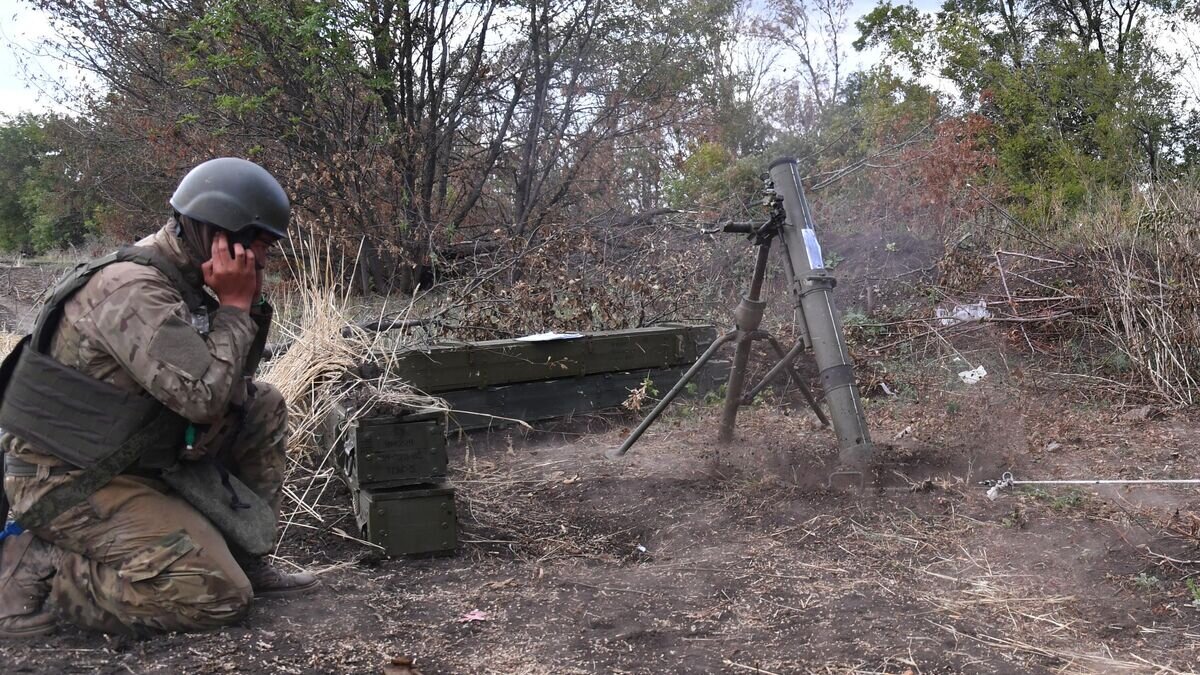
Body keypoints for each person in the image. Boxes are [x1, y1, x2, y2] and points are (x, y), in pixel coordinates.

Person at [0, 157, 317, 638]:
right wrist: (235, 308)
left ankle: (243, 556)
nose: (264, 259)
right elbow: (203, 399)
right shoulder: (133, 290)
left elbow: (232, 383)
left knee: (261, 404)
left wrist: (245, 306)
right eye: (258, 244)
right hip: (69, 481)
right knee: (216, 597)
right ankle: (39, 569)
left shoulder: (181, 278)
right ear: (219, 231)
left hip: (129, 456)